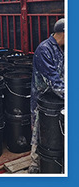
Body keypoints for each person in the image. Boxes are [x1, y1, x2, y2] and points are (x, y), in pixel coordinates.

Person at [29, 18, 65, 172]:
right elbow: (53, 81)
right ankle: (34, 166)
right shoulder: (44, 50)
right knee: (39, 134)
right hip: (42, 101)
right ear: (64, 33)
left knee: (55, 136)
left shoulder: (61, 48)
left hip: (57, 100)